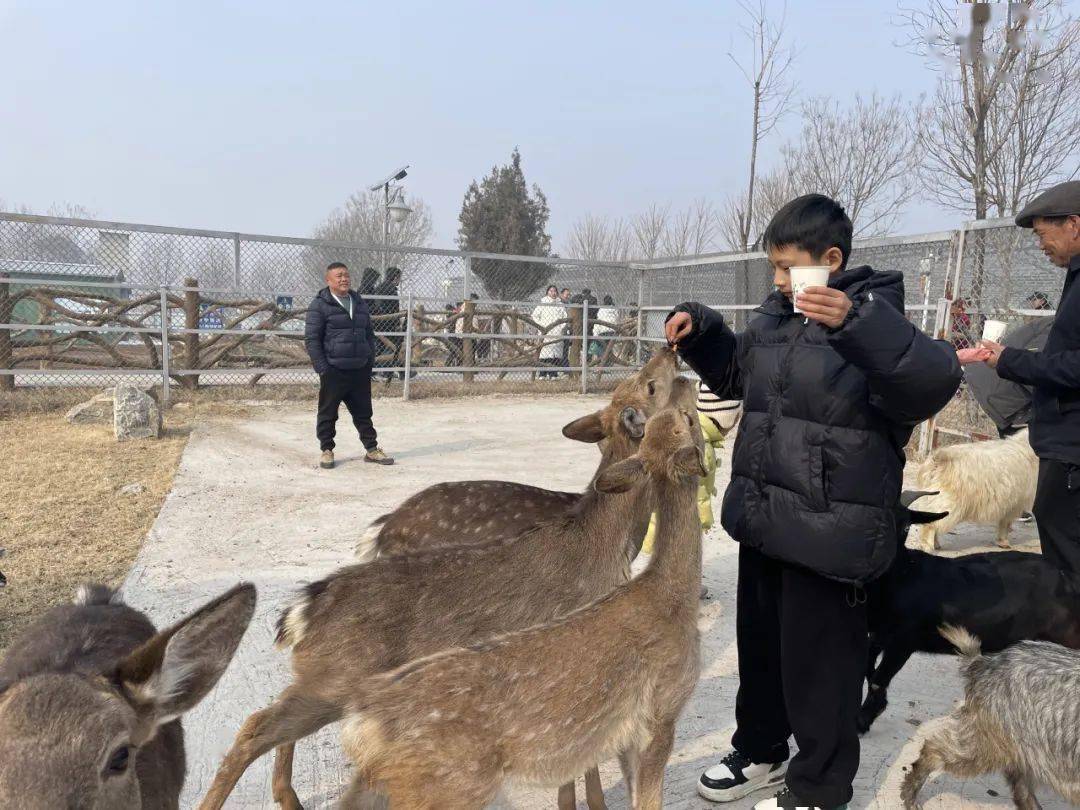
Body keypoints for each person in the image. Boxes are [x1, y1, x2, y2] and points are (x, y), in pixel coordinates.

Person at [666, 194, 961, 810]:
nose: (776, 279)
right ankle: (763, 752)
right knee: (764, 651)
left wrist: (854, 324)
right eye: (772, 266)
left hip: (831, 531)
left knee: (822, 669)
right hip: (767, 519)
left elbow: (932, 380)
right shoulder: (777, 317)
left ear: (829, 259)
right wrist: (705, 331)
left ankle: (819, 789)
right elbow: (739, 375)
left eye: (785, 265)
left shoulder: (879, 320)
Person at [962, 180, 1080, 573]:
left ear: (1074, 225)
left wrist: (1011, 361)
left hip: (1072, 450)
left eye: (1044, 235)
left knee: (1066, 550)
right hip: (1062, 441)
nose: (1041, 245)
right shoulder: (1074, 277)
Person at [304, 262, 395, 469]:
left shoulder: (358, 301)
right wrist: (323, 368)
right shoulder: (319, 305)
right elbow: (311, 339)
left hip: (359, 369)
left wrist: (369, 360)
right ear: (328, 280)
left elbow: (368, 334)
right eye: (339, 276)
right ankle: (327, 450)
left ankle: (372, 449)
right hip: (334, 370)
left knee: (364, 412)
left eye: (346, 275)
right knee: (328, 413)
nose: (344, 279)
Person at [372, 267, 403, 380]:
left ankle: (376, 371)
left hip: (377, 322)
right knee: (393, 345)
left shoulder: (378, 287)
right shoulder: (391, 289)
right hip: (389, 322)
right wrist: (397, 323)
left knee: (379, 347)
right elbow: (394, 308)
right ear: (395, 277)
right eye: (399, 277)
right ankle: (385, 370)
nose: (399, 280)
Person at [532, 286, 565, 378]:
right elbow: (535, 316)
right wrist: (541, 326)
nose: (553, 293)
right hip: (545, 332)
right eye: (551, 291)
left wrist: (561, 328)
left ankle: (553, 373)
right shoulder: (543, 304)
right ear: (547, 292)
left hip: (557, 333)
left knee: (555, 355)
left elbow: (564, 318)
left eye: (555, 291)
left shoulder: (560, 304)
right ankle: (542, 374)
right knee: (544, 353)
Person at [592, 295, 619, 362]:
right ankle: (608, 364)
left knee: (601, 348)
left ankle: (601, 363)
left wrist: (595, 333)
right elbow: (616, 319)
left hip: (603, 331)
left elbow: (599, 321)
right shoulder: (614, 309)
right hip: (612, 331)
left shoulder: (601, 310)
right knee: (609, 348)